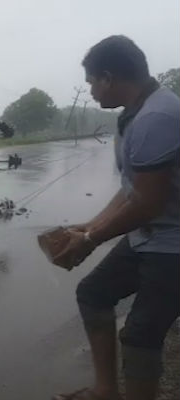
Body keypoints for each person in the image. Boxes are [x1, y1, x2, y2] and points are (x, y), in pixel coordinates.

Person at [52, 35, 180, 400]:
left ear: (108, 77)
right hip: (151, 235)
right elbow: (131, 189)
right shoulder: (135, 113)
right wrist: (89, 226)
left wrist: (92, 240)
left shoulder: (158, 117)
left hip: (172, 246)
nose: (91, 90)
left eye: (92, 82)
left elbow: (147, 204)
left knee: (140, 335)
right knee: (94, 293)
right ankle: (106, 392)